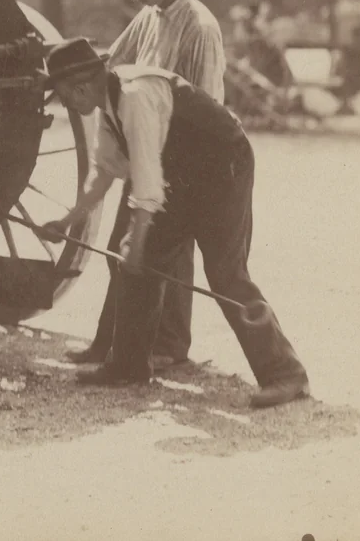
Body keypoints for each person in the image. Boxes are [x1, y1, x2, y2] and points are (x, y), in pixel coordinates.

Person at [42, 38, 311, 409]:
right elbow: (104, 173)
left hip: (223, 165)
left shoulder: (134, 97)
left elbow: (147, 186)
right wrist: (67, 219)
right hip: (183, 174)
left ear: (81, 87)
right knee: (139, 262)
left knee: (224, 273)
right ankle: (129, 365)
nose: (65, 104)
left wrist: (136, 248)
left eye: (63, 96)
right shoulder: (108, 103)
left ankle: (285, 374)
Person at [66, 0, 226, 371]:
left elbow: (207, 104)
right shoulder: (148, 17)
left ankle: (170, 344)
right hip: (145, 144)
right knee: (122, 250)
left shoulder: (201, 26)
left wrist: (180, 168)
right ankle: (109, 343)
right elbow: (113, 63)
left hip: (183, 153)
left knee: (166, 255)